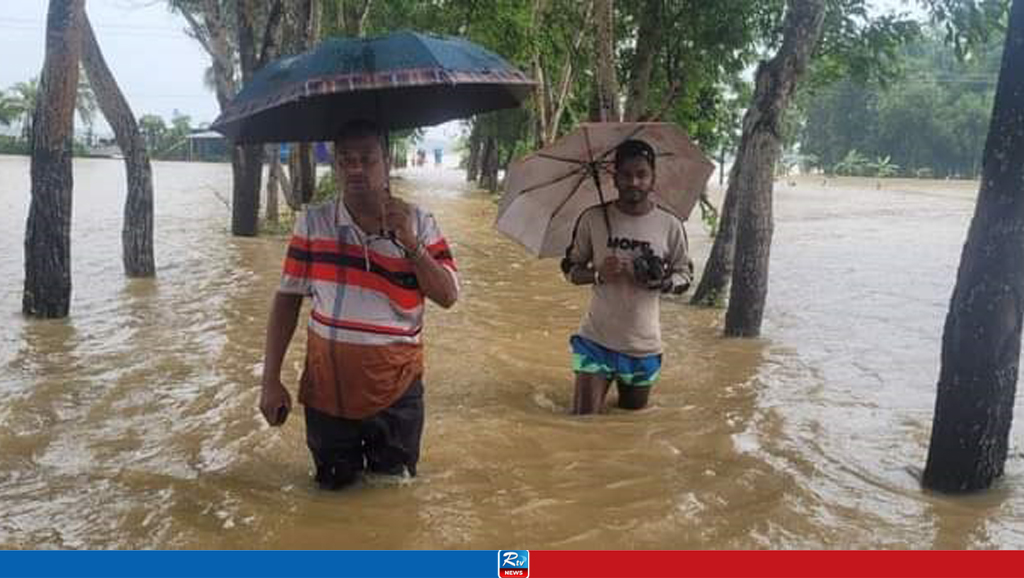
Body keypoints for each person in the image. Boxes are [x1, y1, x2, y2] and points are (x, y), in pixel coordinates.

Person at [259, 120, 459, 489]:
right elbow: (287, 301)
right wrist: (270, 380)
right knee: (332, 497)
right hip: (327, 388)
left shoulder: (420, 221)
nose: (355, 169)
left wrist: (411, 244)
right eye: (346, 160)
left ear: (387, 161)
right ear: (335, 166)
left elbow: (447, 296)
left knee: (393, 496)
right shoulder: (314, 223)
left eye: (366, 159)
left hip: (398, 389)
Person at [562, 139, 692, 415]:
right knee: (582, 423)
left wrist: (662, 282)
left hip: (643, 347)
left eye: (642, 174)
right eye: (626, 174)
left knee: (629, 426)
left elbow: (685, 274)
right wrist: (597, 273)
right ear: (614, 177)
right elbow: (569, 269)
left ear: (653, 178)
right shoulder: (592, 219)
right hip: (595, 341)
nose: (634, 181)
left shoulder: (670, 225)